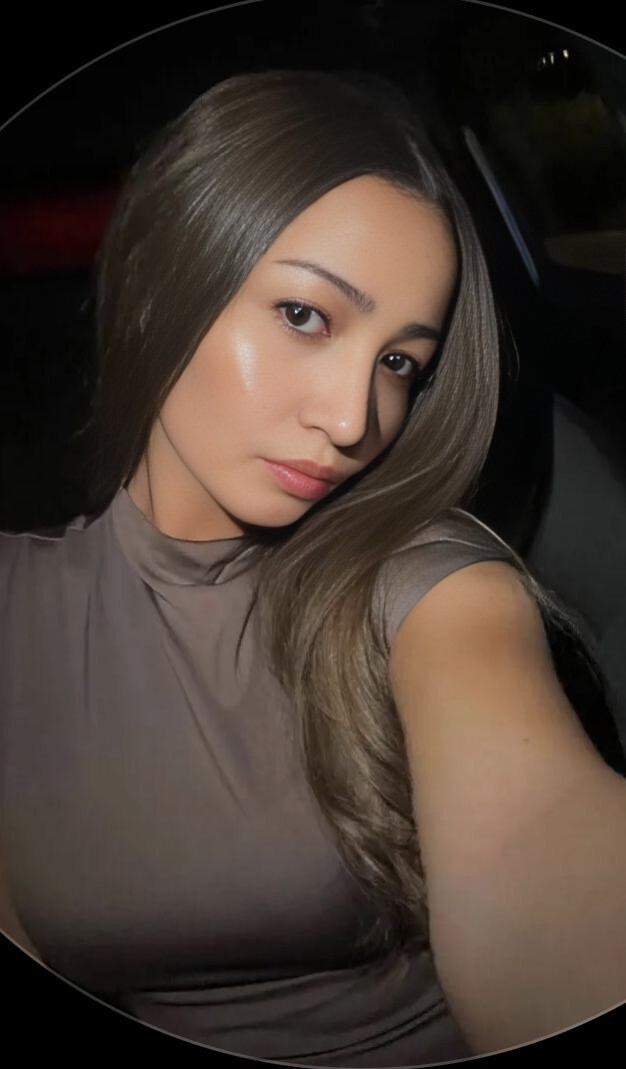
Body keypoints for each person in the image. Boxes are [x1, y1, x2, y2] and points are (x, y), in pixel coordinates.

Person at [1, 69, 625, 1068]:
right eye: (305, 315)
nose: (352, 419)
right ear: (165, 275)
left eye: (399, 363)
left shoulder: (429, 588)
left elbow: (540, 839)